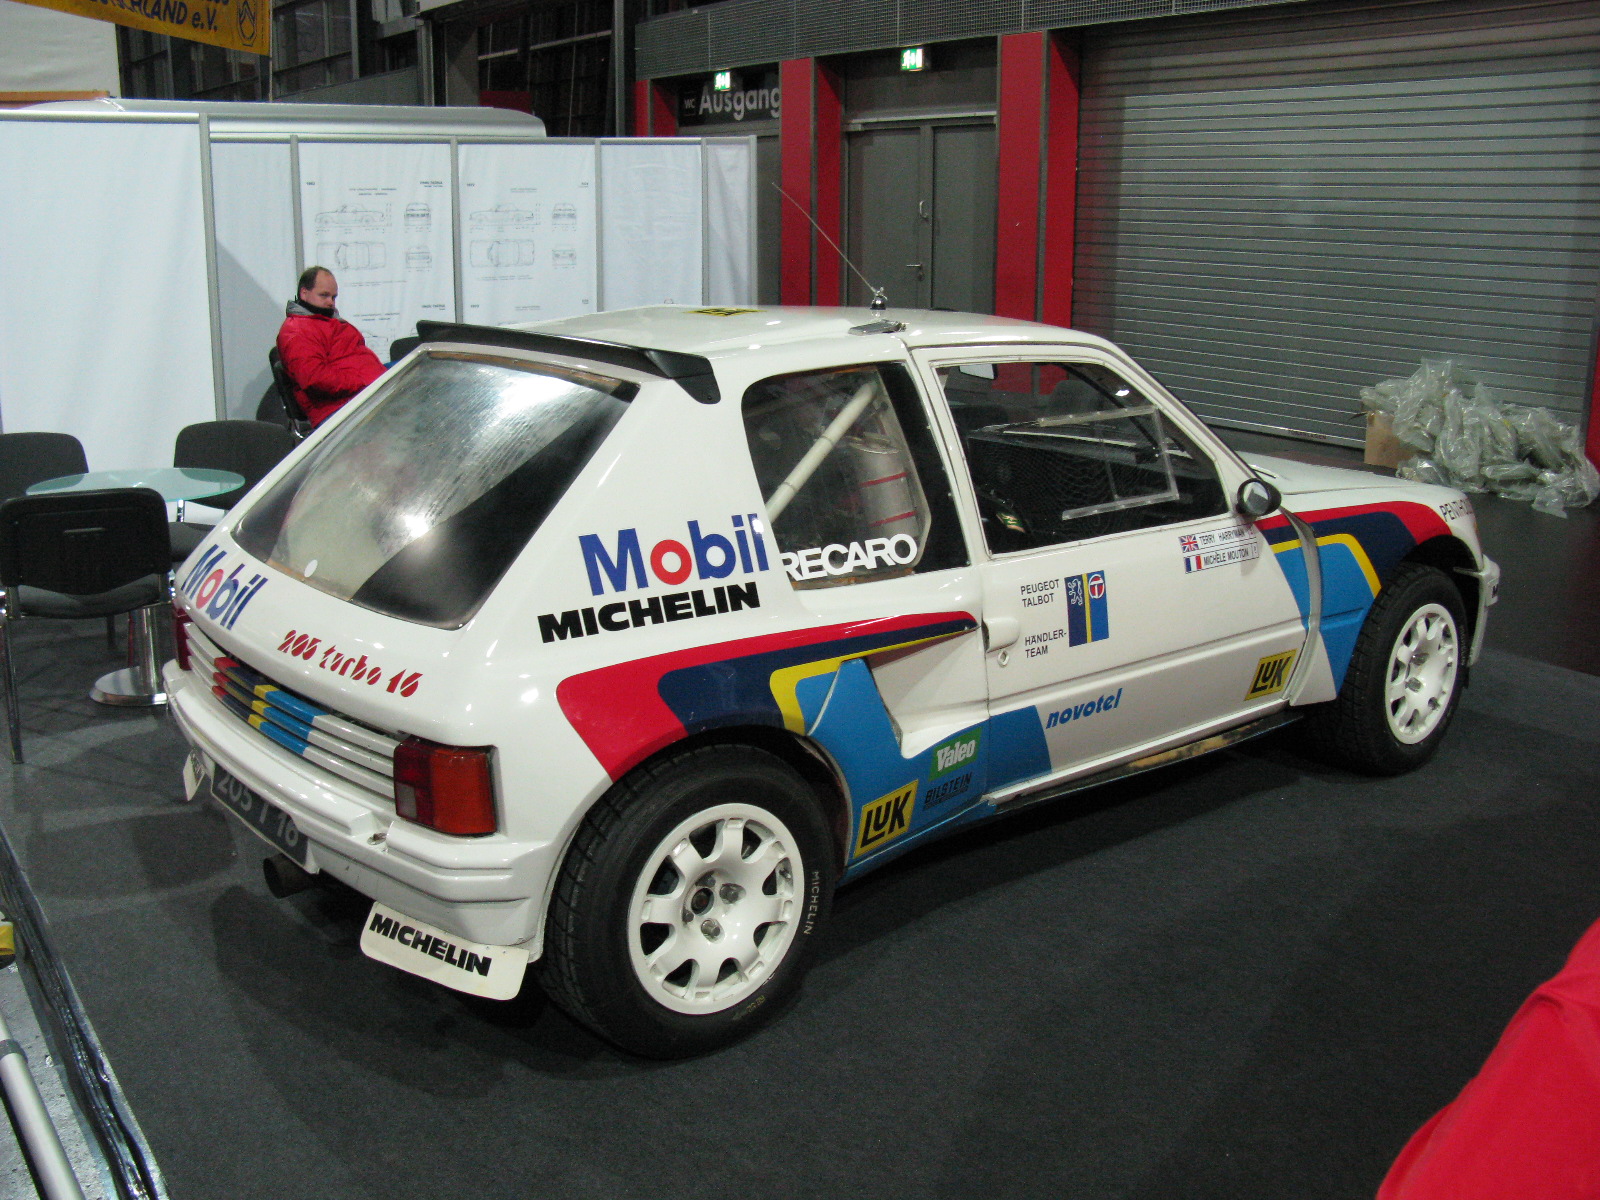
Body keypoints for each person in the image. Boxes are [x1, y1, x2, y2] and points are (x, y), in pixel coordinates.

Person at [276, 266, 386, 428]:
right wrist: (365, 382)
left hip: (365, 397)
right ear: (304, 293)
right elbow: (315, 379)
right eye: (324, 295)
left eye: (333, 297)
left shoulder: (328, 321)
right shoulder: (297, 331)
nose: (330, 302)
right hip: (340, 408)